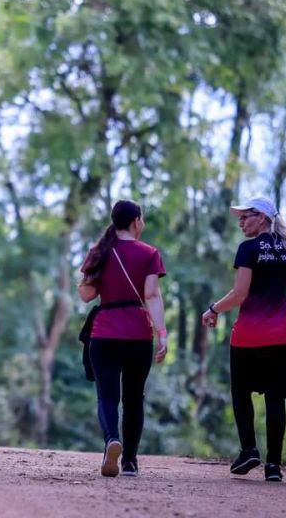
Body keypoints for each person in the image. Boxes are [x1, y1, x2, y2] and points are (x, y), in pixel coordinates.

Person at [202, 196, 286, 482]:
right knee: (276, 399)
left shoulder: (248, 249)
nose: (240, 222)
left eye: (245, 216)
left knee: (240, 393)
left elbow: (240, 294)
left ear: (261, 218)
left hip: (248, 338)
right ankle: (273, 466)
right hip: (281, 336)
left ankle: (249, 449)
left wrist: (213, 309)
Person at [78, 199, 168, 478]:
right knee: (133, 399)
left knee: (107, 396)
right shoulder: (150, 253)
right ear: (136, 221)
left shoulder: (99, 250)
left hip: (104, 333)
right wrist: (162, 333)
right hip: (138, 334)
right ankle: (129, 460)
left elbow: (86, 295)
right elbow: (152, 295)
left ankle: (111, 441)